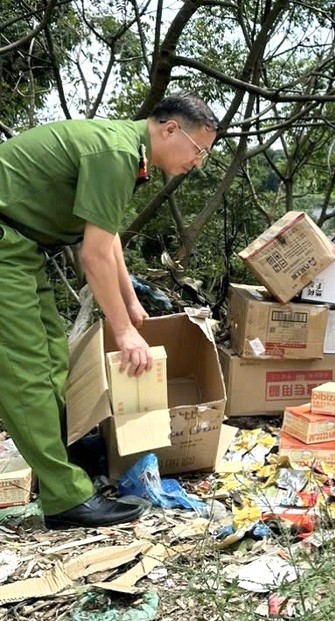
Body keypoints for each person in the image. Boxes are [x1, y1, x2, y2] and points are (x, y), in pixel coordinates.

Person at [0, 92, 218, 529]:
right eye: (199, 151)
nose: (198, 163)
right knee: (24, 372)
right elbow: (94, 256)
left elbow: (107, 236)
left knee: (52, 355)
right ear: (170, 129)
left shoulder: (127, 151)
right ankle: (66, 499)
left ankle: (67, 451)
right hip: (7, 243)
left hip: (23, 249)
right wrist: (123, 331)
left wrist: (132, 302)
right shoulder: (116, 152)